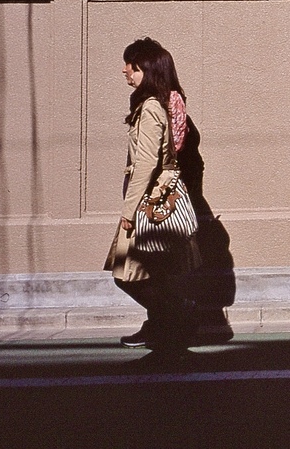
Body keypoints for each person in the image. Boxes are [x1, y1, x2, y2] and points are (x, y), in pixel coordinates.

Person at [105, 37, 200, 353]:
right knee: (149, 273)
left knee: (127, 274)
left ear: (144, 67)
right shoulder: (156, 104)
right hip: (155, 201)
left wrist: (128, 211)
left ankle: (176, 313)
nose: (124, 70)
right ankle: (162, 324)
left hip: (149, 204)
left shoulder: (150, 108)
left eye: (130, 64)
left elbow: (145, 164)